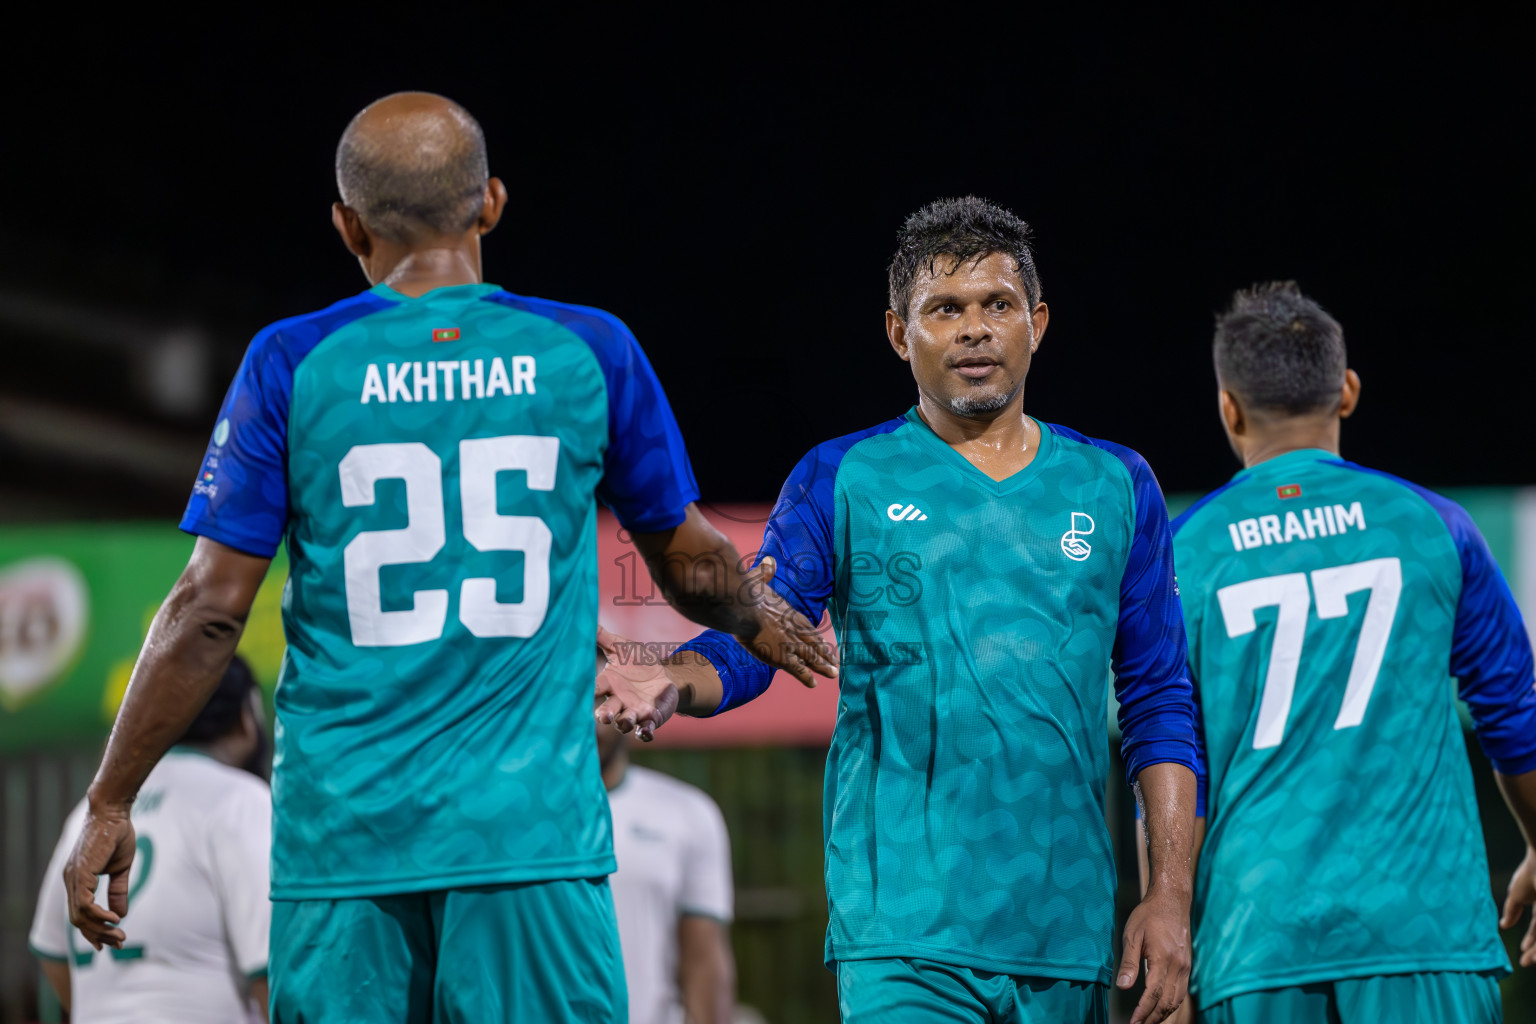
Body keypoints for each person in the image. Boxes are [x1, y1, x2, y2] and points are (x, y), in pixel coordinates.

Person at [60, 92, 831, 1024]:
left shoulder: (292, 362)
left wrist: (111, 801)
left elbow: (208, 609)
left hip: (345, 846)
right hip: (529, 843)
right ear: (492, 203)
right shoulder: (588, 350)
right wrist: (759, 616)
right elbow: (689, 563)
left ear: (347, 227)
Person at [596, 196, 1202, 1024]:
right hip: (901, 936)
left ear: (1039, 322)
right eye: (944, 310)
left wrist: (1168, 900)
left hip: (1069, 938)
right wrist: (671, 677)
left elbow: (1160, 704)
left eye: (998, 305)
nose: (975, 329)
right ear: (897, 333)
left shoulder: (1118, 485)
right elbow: (763, 635)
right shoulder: (841, 475)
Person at [1167, 282, 1536, 1023]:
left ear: (1228, 408)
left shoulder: (1185, 554)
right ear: (1349, 392)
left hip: (1257, 943)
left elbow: (1176, 759)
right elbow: (1514, 715)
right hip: (1422, 931)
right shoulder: (1434, 527)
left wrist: (1169, 922)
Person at [31, 656, 271, 1023]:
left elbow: (51, 953)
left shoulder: (88, 815)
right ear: (247, 717)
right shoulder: (240, 800)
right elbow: (270, 971)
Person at [597, 701, 736, 1024]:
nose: (592, 717)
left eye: (602, 699)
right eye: (575, 695)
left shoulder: (686, 812)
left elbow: (704, 960)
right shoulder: (511, 817)